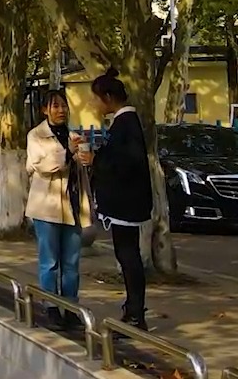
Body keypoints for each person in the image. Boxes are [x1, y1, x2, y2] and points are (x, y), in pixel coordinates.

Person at [79, 69, 152, 330]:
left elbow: (129, 162)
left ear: (108, 97)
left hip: (127, 202)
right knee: (125, 255)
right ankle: (132, 309)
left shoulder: (127, 124)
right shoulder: (121, 124)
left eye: (95, 98)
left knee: (128, 256)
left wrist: (96, 160)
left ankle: (136, 313)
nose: (93, 104)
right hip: (125, 202)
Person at [24, 88, 92, 327]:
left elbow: (79, 171)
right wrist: (67, 154)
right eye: (55, 106)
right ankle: (51, 306)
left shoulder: (73, 136)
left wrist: (85, 158)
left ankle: (71, 307)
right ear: (45, 110)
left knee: (72, 262)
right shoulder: (36, 136)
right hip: (47, 207)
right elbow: (40, 166)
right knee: (50, 261)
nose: (61, 110)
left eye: (64, 106)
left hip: (73, 206)